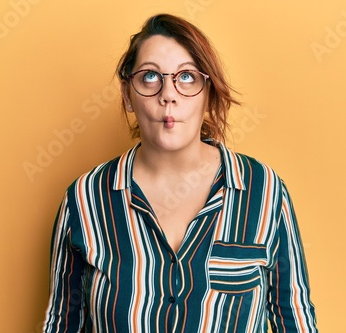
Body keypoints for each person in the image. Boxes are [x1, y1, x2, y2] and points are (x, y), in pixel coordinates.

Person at [42, 13, 318, 333]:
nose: (168, 95)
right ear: (127, 94)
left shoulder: (265, 191)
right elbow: (61, 324)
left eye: (186, 77)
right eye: (150, 76)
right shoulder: (85, 199)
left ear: (208, 91)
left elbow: (295, 319)